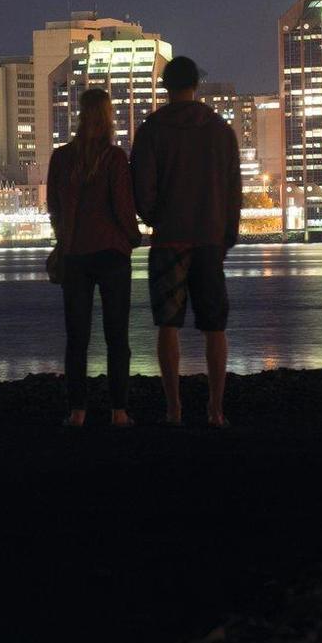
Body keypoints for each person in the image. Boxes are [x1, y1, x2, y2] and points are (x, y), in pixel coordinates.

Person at [129, 55, 242, 427]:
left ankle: (174, 409)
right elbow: (232, 189)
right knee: (215, 326)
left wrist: (155, 217)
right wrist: (226, 233)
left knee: (168, 325)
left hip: (169, 241)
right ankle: (216, 409)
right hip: (209, 238)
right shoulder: (220, 130)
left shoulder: (151, 130)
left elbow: (141, 189)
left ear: (166, 87)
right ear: (196, 85)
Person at [46, 87, 139, 427]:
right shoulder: (114, 159)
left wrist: (63, 238)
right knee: (117, 337)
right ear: (108, 115)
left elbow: (54, 207)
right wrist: (133, 236)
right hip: (113, 253)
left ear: (80, 115)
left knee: (77, 337)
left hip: (75, 255)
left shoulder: (61, 158)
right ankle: (119, 411)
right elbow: (123, 207)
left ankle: (77, 411)